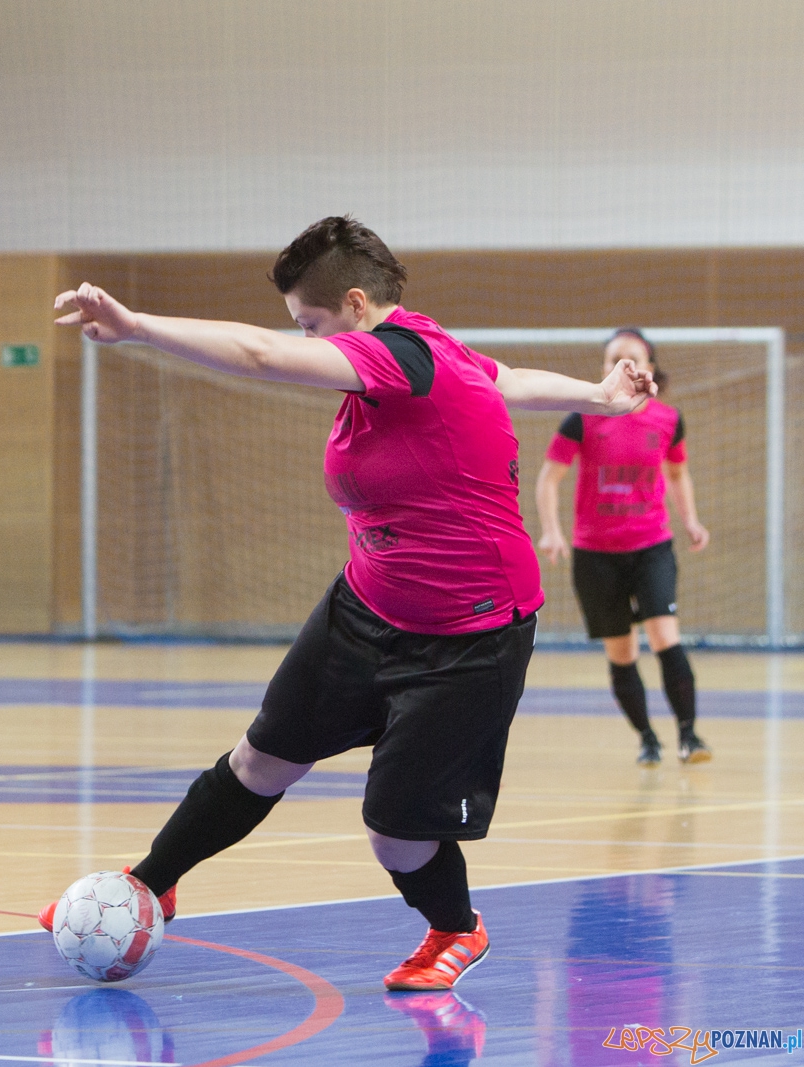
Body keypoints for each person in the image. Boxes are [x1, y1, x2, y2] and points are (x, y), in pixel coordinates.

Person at [44, 216, 655, 992]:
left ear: (358, 305)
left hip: (468, 635)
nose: (300, 338)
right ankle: (150, 885)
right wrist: (601, 397)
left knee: (395, 833)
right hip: (366, 606)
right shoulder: (434, 349)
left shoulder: (400, 354)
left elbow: (262, 356)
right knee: (260, 759)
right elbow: (505, 379)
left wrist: (138, 327)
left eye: (311, 324)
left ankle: (458, 929)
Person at [534, 328, 711, 766]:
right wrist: (551, 530)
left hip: (651, 546)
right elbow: (549, 478)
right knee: (621, 651)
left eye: (635, 356)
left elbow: (677, 474)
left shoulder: (669, 420)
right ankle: (648, 738)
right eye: (617, 357)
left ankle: (690, 736)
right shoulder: (582, 418)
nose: (627, 363)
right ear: (607, 369)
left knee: (664, 636)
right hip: (595, 555)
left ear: (650, 366)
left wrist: (690, 520)